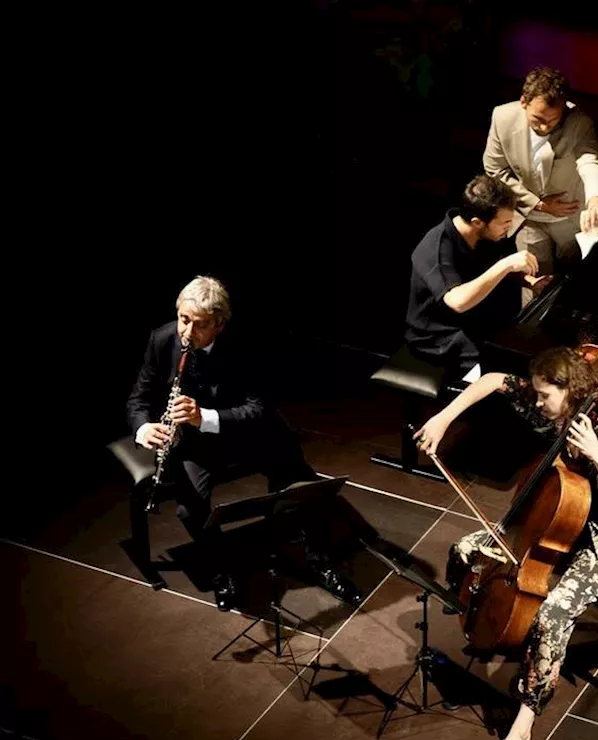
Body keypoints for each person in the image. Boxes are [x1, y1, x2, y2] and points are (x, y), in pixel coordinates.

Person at [414, 347, 598, 740]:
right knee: (465, 551)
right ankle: (490, 624)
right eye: (536, 396)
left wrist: (595, 453)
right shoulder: (551, 410)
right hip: (549, 522)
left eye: (544, 396)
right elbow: (495, 380)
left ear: (569, 390)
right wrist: (444, 418)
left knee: (552, 617)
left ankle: (524, 722)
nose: (537, 404)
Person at [126, 276, 354, 610]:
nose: (187, 333)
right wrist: (144, 428)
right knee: (191, 510)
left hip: (250, 431)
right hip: (196, 443)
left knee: (303, 487)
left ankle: (321, 563)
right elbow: (139, 396)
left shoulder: (247, 345)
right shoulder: (162, 339)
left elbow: (258, 408)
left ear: (219, 325)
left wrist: (203, 416)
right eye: (183, 320)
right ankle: (223, 572)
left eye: (199, 325)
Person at [405, 174, 544, 382]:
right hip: (439, 336)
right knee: (506, 376)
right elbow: (457, 301)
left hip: (477, 320)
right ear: (477, 222)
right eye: (505, 222)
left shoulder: (487, 234)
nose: (509, 227)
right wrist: (505, 265)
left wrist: (532, 282)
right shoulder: (436, 248)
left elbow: (488, 274)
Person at [483, 66, 598, 275]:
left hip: (575, 217)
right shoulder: (502, 117)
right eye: (539, 119)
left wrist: (596, 197)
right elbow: (495, 170)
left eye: (553, 121)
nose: (545, 128)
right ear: (524, 102)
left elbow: (591, 159)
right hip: (530, 214)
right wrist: (539, 205)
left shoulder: (579, 122)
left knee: (584, 279)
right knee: (534, 281)